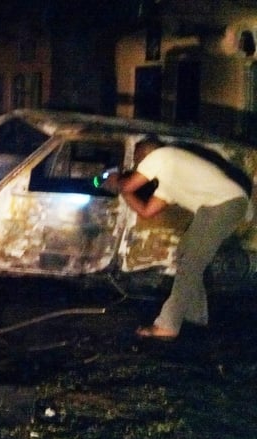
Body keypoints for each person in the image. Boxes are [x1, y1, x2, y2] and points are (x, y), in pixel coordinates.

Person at [104, 135, 251, 341]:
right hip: (221, 206)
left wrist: (117, 181)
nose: (136, 166)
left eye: (137, 160)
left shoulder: (161, 155)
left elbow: (128, 185)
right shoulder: (167, 181)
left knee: (191, 261)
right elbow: (146, 211)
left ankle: (167, 326)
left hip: (224, 204)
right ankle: (195, 315)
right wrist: (122, 189)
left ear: (145, 154)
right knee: (185, 254)